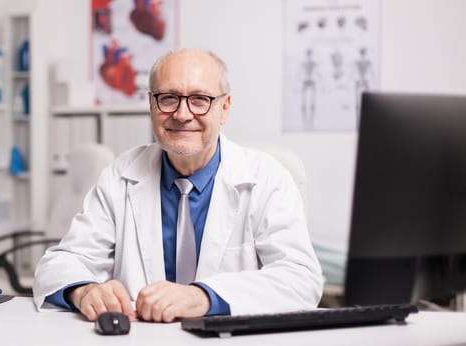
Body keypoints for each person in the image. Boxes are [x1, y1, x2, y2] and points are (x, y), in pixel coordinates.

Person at [33, 48, 323, 323]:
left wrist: (203, 297)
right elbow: (60, 264)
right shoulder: (120, 175)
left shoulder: (268, 178)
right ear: (151, 104)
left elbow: (301, 280)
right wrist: (83, 290)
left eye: (199, 99)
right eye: (168, 98)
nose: (182, 114)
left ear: (224, 108)